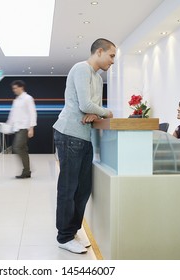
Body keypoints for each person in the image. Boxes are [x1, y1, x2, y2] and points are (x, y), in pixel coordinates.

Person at [53, 38, 115, 254]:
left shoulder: (97, 77)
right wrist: (104, 111)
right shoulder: (81, 69)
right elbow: (86, 105)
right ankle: (64, 236)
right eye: (111, 56)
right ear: (99, 51)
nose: (113, 61)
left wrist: (95, 110)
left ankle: (72, 230)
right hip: (70, 133)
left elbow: (91, 107)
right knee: (68, 188)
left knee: (83, 189)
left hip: (84, 137)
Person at [6, 80, 37, 179]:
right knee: (22, 149)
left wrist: (31, 128)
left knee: (17, 147)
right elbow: (12, 115)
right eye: (13, 88)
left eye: (15, 88)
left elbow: (33, 113)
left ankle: (27, 169)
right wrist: (8, 126)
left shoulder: (28, 98)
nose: (14, 90)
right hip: (17, 128)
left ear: (21, 87)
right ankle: (27, 171)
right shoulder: (16, 100)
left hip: (24, 127)